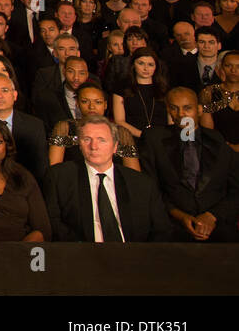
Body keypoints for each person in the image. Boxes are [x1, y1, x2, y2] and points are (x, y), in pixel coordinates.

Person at [43, 114, 171, 242]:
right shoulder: (59, 177)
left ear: (115, 146)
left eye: (101, 140)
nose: (93, 146)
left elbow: (161, 230)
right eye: (87, 139)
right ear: (80, 145)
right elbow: (53, 223)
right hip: (81, 254)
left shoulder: (141, 183)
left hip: (132, 255)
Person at [138, 87, 239, 242]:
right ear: (168, 110)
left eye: (187, 108)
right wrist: (180, 216)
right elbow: (150, 188)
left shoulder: (217, 140)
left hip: (219, 227)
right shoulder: (154, 139)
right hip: (172, 227)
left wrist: (212, 216)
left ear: (199, 110)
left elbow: (235, 189)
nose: (181, 115)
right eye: (174, 108)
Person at [48, 83, 140, 170]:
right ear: (77, 103)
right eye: (85, 101)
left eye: (98, 102)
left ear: (105, 104)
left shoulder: (121, 132)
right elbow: (54, 170)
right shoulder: (65, 128)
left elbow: (133, 175)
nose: (91, 107)